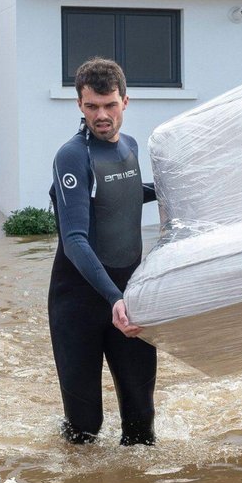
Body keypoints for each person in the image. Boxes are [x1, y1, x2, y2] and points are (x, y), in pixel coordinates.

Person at [49, 57, 159, 445]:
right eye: (92, 106)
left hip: (128, 299)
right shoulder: (73, 156)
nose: (101, 115)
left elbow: (121, 195)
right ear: (79, 104)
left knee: (141, 424)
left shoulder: (129, 147)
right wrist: (114, 298)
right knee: (85, 428)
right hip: (79, 305)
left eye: (110, 105)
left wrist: (173, 190)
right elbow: (75, 239)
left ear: (125, 101)